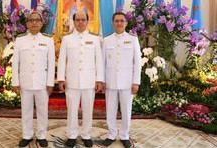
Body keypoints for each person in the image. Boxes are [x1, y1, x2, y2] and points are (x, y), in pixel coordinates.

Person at [57, 11, 104, 148]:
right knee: (71, 109)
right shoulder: (67, 39)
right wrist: (61, 78)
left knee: (88, 109)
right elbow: (61, 60)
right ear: (74, 21)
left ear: (87, 21)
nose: (80, 22)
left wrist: (99, 79)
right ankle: (72, 135)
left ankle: (86, 135)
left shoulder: (95, 39)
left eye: (83, 19)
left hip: (89, 81)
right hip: (71, 81)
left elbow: (99, 61)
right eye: (78, 19)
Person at [12, 11, 55, 148]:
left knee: (43, 110)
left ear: (42, 23)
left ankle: (41, 135)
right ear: (27, 23)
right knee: (26, 110)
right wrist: (15, 81)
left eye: (37, 20)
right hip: (25, 82)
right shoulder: (20, 40)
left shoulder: (48, 40)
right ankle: (27, 135)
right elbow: (15, 63)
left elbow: (51, 63)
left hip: (42, 83)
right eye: (31, 20)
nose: (34, 23)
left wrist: (50, 83)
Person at [102, 12, 141, 148]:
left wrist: (136, 81)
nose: (119, 23)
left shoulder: (133, 39)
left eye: (121, 21)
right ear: (113, 23)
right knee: (110, 110)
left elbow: (137, 62)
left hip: (127, 82)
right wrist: (102, 80)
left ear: (126, 23)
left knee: (126, 109)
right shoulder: (107, 40)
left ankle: (124, 135)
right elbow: (103, 62)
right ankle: (111, 134)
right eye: (117, 21)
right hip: (110, 81)